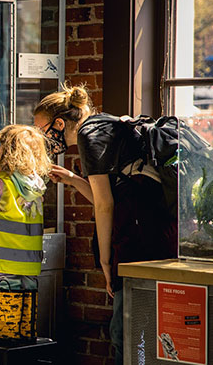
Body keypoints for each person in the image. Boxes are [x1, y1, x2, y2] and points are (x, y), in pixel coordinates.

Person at [32, 85, 176, 362]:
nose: (43, 138)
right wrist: (73, 180)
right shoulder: (103, 124)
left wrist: (107, 262)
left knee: (127, 330)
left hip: (137, 238)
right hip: (155, 230)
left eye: (42, 130)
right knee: (143, 325)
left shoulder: (88, 135)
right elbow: (108, 195)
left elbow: (105, 205)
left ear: (60, 123)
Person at [0, 124, 51, 344]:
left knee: (6, 283)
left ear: (7, 151)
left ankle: (5, 328)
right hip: (29, 254)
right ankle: (25, 329)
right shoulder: (37, 184)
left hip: (5, 253)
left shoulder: (1, 183)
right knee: (27, 285)